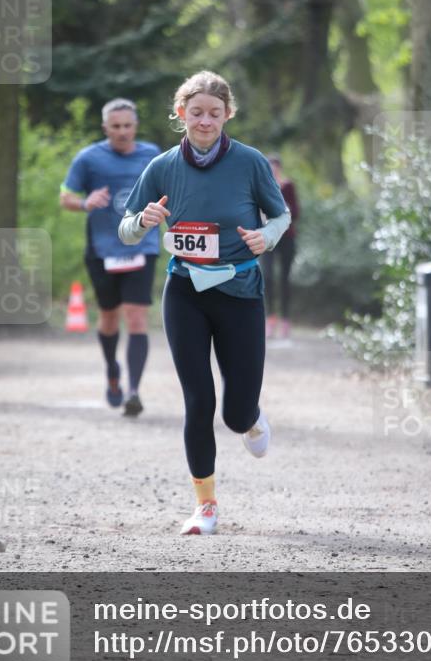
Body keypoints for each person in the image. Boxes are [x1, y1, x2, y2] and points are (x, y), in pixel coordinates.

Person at [119, 71, 290, 535]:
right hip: (185, 293)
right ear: (181, 114)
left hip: (239, 292)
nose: (206, 121)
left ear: (227, 114)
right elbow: (126, 227)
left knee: (235, 413)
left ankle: (252, 418)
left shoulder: (250, 163)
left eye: (215, 113)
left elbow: (280, 214)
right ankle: (206, 507)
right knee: (199, 400)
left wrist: (266, 237)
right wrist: (144, 219)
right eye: (197, 112)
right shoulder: (162, 166)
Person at [60, 98, 160, 416]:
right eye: (115, 127)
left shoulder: (152, 155)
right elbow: (65, 198)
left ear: (136, 126)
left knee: (136, 315)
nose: (122, 132)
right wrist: (85, 203)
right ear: (105, 128)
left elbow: (171, 192)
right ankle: (112, 370)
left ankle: (134, 390)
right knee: (108, 317)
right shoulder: (88, 158)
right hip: (102, 250)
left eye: (127, 126)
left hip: (142, 247)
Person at [261, 154, 300, 339]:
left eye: (275, 168)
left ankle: (285, 319)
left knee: (285, 279)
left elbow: (296, 212)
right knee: (267, 277)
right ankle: (270, 318)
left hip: (286, 238)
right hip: (267, 238)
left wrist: (283, 210)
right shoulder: (261, 185)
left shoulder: (287, 186)